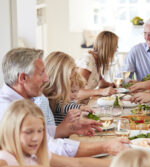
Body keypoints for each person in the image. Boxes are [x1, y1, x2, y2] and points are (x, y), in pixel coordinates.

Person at [0, 48, 129, 157]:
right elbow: (49, 147)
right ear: (23, 78)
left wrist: (70, 128)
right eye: (41, 73)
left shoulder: (29, 99)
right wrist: (104, 147)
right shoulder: (12, 108)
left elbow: (45, 134)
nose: (46, 78)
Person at [0, 100, 112, 167]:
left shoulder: (35, 156)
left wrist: (116, 164)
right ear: (11, 131)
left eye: (40, 131)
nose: (36, 138)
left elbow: (78, 163)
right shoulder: (5, 157)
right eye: (28, 132)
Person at [43, 51, 92, 126]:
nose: (70, 83)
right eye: (69, 78)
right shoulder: (47, 99)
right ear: (57, 77)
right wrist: (80, 107)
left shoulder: (60, 96)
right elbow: (63, 107)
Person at [76, 31, 118, 100]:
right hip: (74, 106)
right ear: (108, 48)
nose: (116, 50)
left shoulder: (97, 60)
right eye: (115, 47)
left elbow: (100, 82)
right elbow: (77, 93)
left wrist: (111, 85)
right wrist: (101, 91)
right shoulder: (88, 61)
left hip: (85, 103)